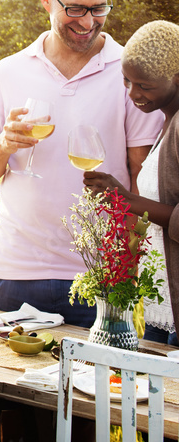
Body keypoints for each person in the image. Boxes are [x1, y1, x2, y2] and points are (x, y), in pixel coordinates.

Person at [0, 0, 162, 327]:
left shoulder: (128, 71)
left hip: (97, 281)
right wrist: (3, 145)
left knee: (95, 387)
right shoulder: (9, 71)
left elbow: (143, 178)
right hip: (11, 275)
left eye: (98, 9)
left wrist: (128, 263)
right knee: (0, 386)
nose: (87, 22)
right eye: (75, 9)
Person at [82, 20, 179, 344]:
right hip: (162, 310)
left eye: (145, 86)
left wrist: (126, 199)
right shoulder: (167, 122)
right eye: (127, 82)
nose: (133, 94)